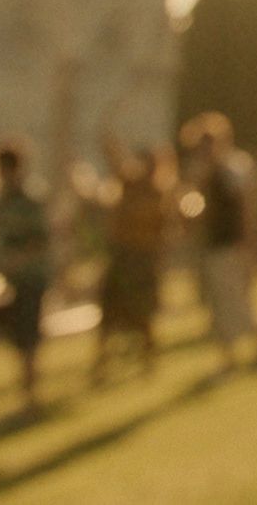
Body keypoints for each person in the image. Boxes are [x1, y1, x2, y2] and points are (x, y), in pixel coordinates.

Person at [178, 114, 257, 377]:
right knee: (217, 307)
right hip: (211, 246)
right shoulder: (202, 171)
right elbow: (193, 208)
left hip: (231, 245)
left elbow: (245, 209)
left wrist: (251, 244)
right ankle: (229, 359)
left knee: (239, 302)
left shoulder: (234, 168)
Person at [0, 143, 55, 415]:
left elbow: (41, 240)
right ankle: (26, 392)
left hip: (30, 276)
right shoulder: (0, 198)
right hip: (9, 278)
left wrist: (16, 259)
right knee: (17, 335)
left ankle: (31, 396)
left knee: (29, 337)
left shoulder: (30, 198)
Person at [91, 147, 170, 384]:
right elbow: (111, 153)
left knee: (142, 314)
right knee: (110, 312)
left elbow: (162, 233)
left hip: (142, 259)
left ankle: (148, 360)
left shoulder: (158, 193)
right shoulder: (128, 184)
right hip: (122, 257)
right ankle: (101, 364)